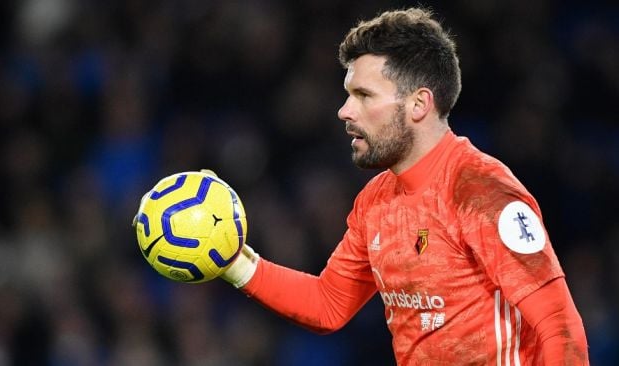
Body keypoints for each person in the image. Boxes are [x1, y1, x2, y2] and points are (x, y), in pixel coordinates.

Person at [220, 7, 589, 365]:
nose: (344, 111)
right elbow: (328, 304)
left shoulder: (480, 191)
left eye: (363, 95)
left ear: (418, 104)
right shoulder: (375, 200)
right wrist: (232, 262)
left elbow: (560, 328)